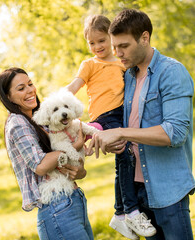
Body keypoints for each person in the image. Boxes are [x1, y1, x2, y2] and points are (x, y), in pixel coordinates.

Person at [88, 9, 195, 240]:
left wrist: (121, 132)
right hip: (136, 191)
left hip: (167, 188)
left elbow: (175, 133)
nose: (117, 53)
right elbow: (126, 125)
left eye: (124, 46)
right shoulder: (127, 75)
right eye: (114, 46)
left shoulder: (171, 72)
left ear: (144, 38)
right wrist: (114, 139)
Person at [66, 15, 156, 239]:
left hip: (122, 116)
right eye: (92, 43)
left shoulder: (122, 63)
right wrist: (57, 104)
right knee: (125, 156)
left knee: (124, 159)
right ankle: (131, 211)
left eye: (101, 41)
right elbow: (74, 87)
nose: (97, 47)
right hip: (105, 117)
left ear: (111, 38)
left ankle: (120, 214)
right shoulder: (89, 64)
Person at [0, 67, 94, 240]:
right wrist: (76, 144)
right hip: (57, 208)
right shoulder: (17, 123)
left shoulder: (41, 120)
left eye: (30, 84)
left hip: (72, 200)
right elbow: (40, 165)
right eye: (21, 88)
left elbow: (65, 162)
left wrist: (80, 171)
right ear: (9, 97)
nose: (29, 90)